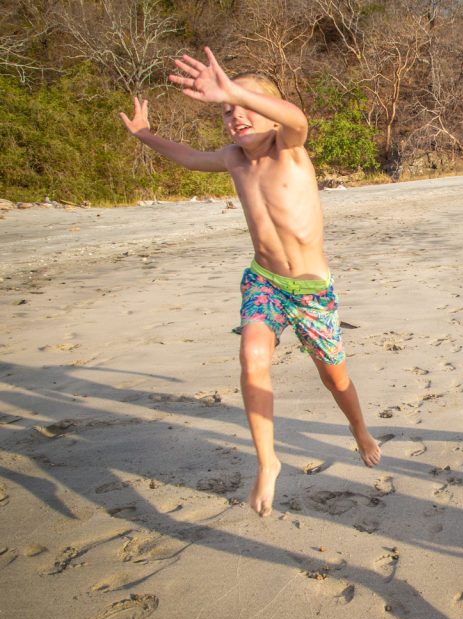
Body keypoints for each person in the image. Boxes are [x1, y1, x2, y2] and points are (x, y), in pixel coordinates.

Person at [118, 47, 381, 517]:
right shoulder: (234, 159)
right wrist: (145, 136)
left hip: (312, 292)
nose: (235, 116)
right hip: (264, 282)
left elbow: (296, 118)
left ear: (269, 112)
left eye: (246, 107)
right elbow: (187, 157)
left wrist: (234, 90)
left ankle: (359, 428)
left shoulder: (290, 150)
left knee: (335, 377)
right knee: (251, 353)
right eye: (226, 111)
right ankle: (268, 461)